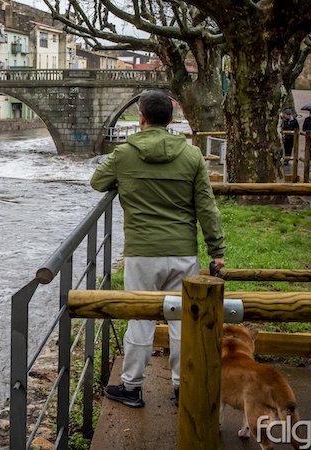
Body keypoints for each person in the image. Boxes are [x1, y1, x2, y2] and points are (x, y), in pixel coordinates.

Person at [90, 90, 225, 408]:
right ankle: (182, 385)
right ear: (172, 120)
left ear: (141, 119)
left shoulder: (125, 154)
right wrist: (216, 250)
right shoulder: (192, 155)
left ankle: (132, 386)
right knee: (183, 321)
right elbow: (206, 207)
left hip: (142, 252)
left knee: (140, 319)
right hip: (182, 252)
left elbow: (98, 181)